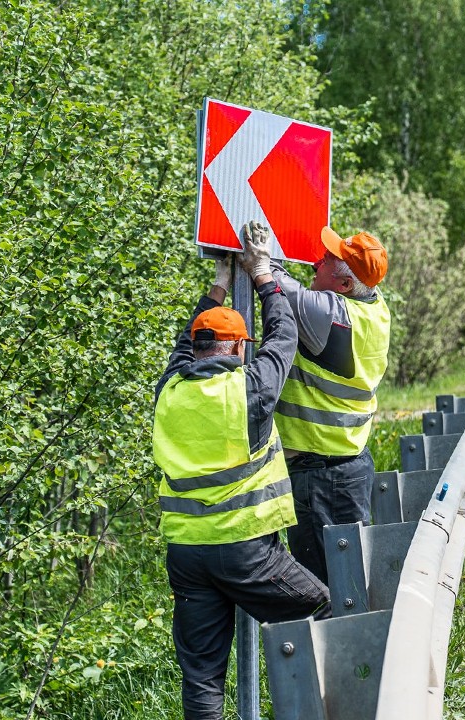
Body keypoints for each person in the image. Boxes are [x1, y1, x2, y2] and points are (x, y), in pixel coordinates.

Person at [152, 222, 330, 720]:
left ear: (196, 345)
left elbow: (183, 345)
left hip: (187, 555)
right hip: (246, 553)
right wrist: (264, 276)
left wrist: (219, 282)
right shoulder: (248, 391)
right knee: (321, 610)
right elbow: (284, 335)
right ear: (234, 349)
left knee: (203, 677)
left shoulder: (168, 391)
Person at [270, 226, 391, 584]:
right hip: (344, 469)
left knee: (326, 590)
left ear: (343, 286)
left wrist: (263, 252)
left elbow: (271, 278)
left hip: (322, 478)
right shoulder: (374, 307)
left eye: (325, 261)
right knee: (345, 583)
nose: (314, 262)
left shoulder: (333, 316)